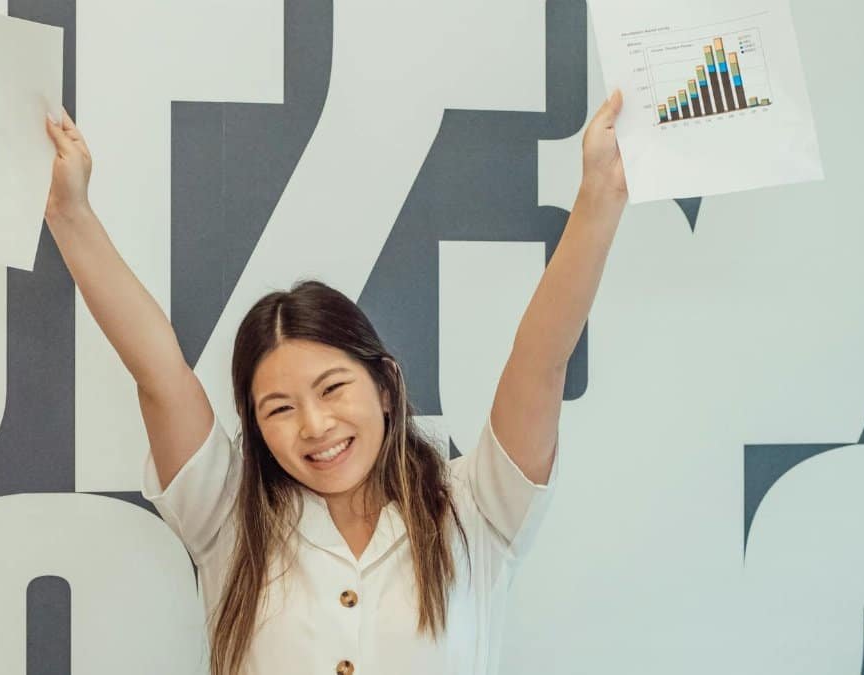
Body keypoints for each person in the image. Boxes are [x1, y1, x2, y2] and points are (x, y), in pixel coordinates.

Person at [43, 90, 627, 675]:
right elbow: (159, 375)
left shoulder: (473, 508)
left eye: (332, 388)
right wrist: (70, 215)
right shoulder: (227, 516)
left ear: (385, 385)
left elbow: (541, 362)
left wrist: (599, 196)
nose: (315, 425)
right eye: (279, 408)